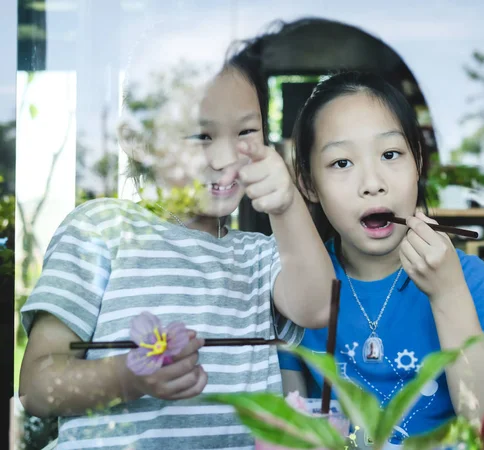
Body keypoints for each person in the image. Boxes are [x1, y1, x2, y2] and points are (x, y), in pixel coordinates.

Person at [18, 35, 335, 449]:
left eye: (246, 132)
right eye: (201, 136)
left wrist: (287, 203)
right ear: (138, 139)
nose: (225, 158)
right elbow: (37, 385)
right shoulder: (102, 231)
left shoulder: (258, 255)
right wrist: (127, 376)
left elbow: (319, 306)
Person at [278, 71, 484, 447]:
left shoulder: (472, 280)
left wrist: (448, 294)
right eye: (342, 163)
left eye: (391, 154)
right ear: (309, 183)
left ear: (418, 164)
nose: (373, 182)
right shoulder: (296, 288)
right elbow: (290, 431)